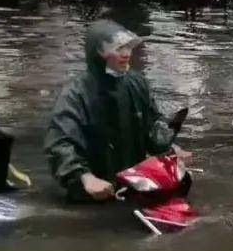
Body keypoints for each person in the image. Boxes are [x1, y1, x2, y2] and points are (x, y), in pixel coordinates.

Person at [45, 20, 189, 202]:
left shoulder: (137, 84)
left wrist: (170, 147)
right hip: (91, 191)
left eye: (128, 47)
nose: (126, 54)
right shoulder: (75, 94)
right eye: (118, 48)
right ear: (98, 52)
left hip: (131, 185)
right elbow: (60, 143)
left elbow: (151, 127)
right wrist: (85, 177)